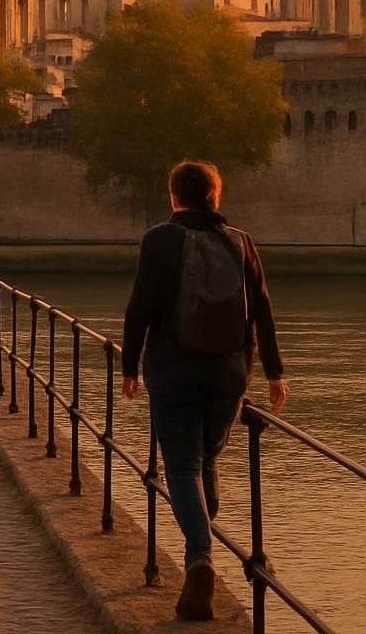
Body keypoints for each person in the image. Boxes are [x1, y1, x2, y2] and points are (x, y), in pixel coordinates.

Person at [121, 160, 287, 622]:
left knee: (182, 464)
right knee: (206, 460)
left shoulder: (160, 239)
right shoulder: (241, 242)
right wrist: (274, 373)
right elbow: (264, 313)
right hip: (228, 376)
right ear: (215, 197)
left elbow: (140, 307)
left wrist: (129, 365)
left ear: (174, 197)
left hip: (174, 372)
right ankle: (204, 548)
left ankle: (199, 560)